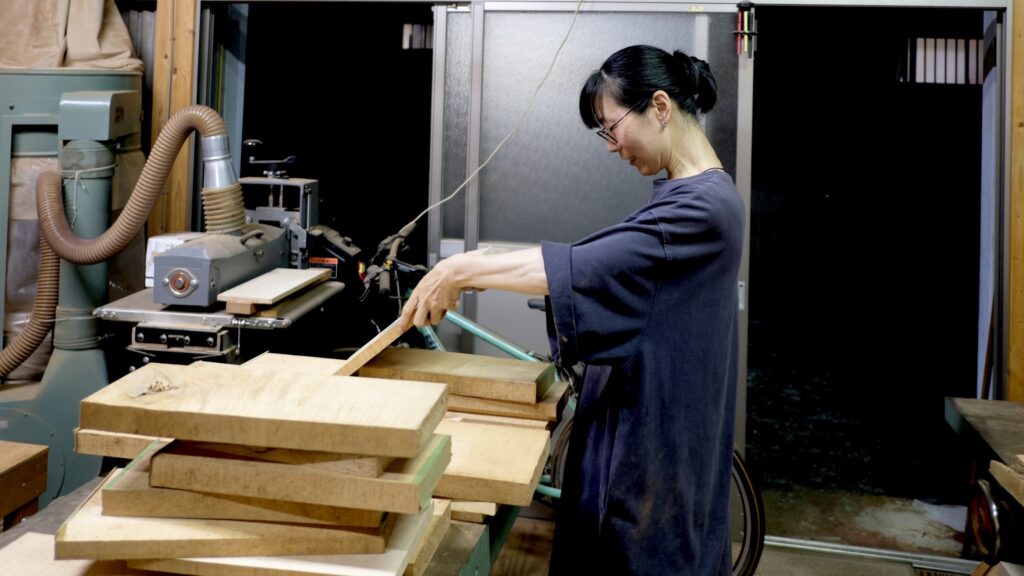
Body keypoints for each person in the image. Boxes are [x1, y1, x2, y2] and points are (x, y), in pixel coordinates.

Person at [400, 44, 745, 575]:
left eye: (612, 128)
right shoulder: (689, 193)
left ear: (659, 106)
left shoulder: (702, 209)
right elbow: (610, 270)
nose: (611, 147)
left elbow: (586, 267)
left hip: (653, 457)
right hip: (645, 434)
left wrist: (459, 269)